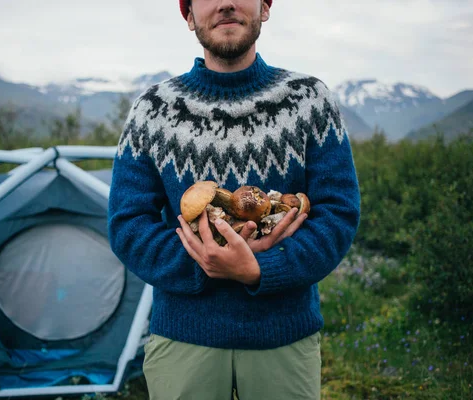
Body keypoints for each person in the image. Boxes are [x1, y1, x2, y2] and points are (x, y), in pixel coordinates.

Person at [108, 0, 361, 398]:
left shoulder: (311, 101)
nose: (226, 2)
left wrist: (262, 270)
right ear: (188, 14)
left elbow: (338, 214)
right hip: (183, 344)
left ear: (264, 6)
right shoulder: (152, 112)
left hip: (283, 343)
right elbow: (128, 225)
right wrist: (208, 264)